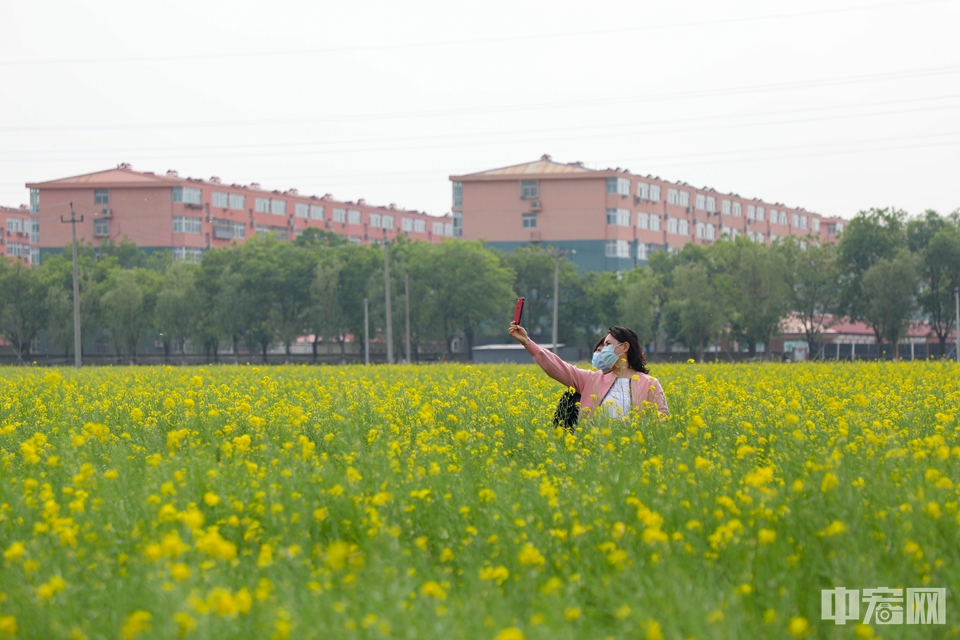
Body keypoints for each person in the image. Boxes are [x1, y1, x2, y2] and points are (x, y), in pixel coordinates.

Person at [509, 322, 669, 419]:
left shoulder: (649, 384)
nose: (602, 350)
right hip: (595, 454)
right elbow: (556, 366)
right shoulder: (592, 380)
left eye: (608, 344)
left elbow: (661, 421)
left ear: (625, 347)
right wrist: (527, 342)